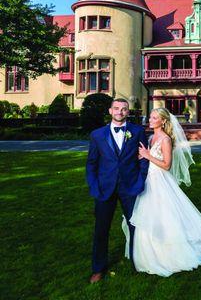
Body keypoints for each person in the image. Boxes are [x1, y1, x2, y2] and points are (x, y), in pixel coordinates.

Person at [122, 107, 201, 277]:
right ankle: (146, 253)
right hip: (148, 179)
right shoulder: (152, 136)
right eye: (150, 117)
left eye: (153, 118)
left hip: (159, 181)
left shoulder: (165, 139)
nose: (150, 120)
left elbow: (166, 165)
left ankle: (168, 254)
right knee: (147, 215)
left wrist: (148, 155)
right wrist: (143, 156)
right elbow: (151, 158)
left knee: (163, 215)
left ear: (163, 121)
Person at [86, 98, 149, 283]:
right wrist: (94, 186)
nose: (120, 112)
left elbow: (144, 158)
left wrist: (140, 180)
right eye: (116, 108)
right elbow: (91, 163)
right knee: (101, 229)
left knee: (136, 226)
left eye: (123, 109)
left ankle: (139, 262)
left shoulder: (137, 131)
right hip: (104, 189)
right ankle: (98, 268)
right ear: (110, 110)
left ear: (128, 112)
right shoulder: (97, 135)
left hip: (130, 187)